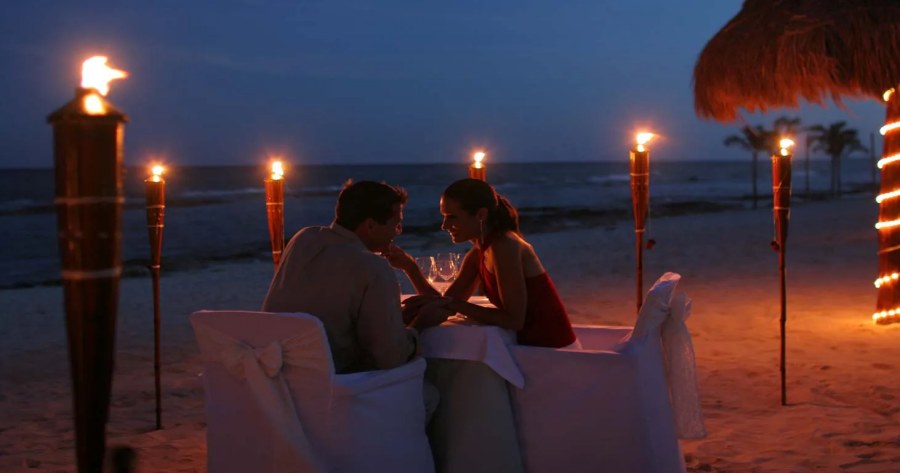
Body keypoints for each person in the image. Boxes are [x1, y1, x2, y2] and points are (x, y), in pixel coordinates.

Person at [262, 180, 452, 374]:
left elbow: (327, 310)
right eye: (396, 224)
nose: (399, 231)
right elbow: (390, 357)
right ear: (370, 226)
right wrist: (420, 324)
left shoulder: (303, 239)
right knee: (435, 385)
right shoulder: (373, 267)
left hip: (275, 375)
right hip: (337, 382)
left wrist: (396, 319)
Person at [390, 178, 577, 349]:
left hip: (552, 350)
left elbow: (513, 320)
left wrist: (453, 304)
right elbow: (446, 304)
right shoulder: (478, 253)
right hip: (525, 346)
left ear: (481, 214)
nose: (444, 226)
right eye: (444, 217)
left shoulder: (505, 246)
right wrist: (410, 268)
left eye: (452, 216)